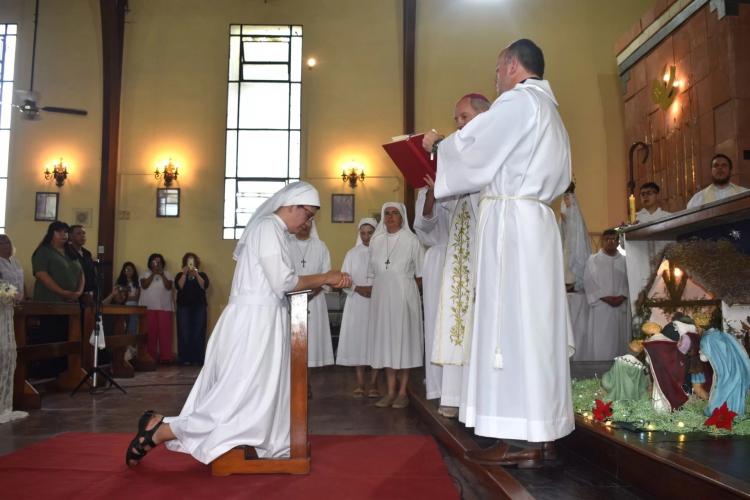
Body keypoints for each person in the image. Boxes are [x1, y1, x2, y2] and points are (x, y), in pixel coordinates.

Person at [124, 181, 351, 466]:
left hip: (265, 321)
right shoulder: (268, 228)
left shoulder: (276, 231)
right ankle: (161, 431)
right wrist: (326, 277)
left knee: (257, 393)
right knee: (237, 392)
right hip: (253, 323)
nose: (308, 221)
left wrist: (321, 282)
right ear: (293, 206)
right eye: (308, 214)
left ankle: (247, 440)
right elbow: (284, 282)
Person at [423, 39, 574, 467]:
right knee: (533, 329)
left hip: (513, 230)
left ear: (511, 66)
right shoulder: (549, 111)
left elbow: (475, 148)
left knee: (511, 327)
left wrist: (437, 145)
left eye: (496, 69)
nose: (495, 78)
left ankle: (518, 434)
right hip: (534, 226)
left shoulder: (519, 103)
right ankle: (538, 431)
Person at [417, 92, 489, 419]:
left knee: (477, 327)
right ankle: (453, 393)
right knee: (454, 323)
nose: (458, 124)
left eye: (464, 117)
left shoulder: (487, 153)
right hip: (457, 262)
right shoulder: (455, 166)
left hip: (482, 261)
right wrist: (436, 192)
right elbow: (429, 228)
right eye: (456, 119)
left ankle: (476, 396)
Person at [367, 202, 424, 410]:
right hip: (382, 299)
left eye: (395, 213)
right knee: (387, 344)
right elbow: (372, 273)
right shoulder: (376, 241)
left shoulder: (412, 241)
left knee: (404, 344)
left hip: (404, 299)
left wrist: (406, 292)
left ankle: (402, 393)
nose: (390, 217)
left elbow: (421, 275)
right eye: (387, 213)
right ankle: (390, 391)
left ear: (402, 218)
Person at [336, 218, 379, 397]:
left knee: (376, 343)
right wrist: (359, 289)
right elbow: (343, 280)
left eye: (370, 232)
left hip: (378, 303)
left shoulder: (383, 252)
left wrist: (375, 290)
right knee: (358, 342)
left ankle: (375, 384)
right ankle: (360, 383)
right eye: (363, 233)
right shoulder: (351, 254)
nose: (366, 236)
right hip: (357, 302)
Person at [289, 220, 334, 368]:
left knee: (312, 343)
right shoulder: (286, 244)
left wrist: (312, 293)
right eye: (301, 222)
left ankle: (307, 384)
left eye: (307, 222)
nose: (304, 225)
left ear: (312, 224)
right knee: (291, 343)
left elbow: (327, 274)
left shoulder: (320, 246)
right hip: (290, 300)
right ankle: (294, 385)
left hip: (315, 300)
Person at [581, 229, 629, 360]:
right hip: (601, 308)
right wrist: (604, 297)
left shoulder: (625, 261)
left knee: (620, 342)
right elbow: (588, 281)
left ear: (618, 241)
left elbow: (629, 281)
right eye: (607, 239)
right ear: (603, 241)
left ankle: (620, 371)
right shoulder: (593, 260)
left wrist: (623, 295)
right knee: (601, 342)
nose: (610, 242)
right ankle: (600, 370)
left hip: (620, 308)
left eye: (614, 239)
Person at [32, 221, 83, 303]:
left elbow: (81, 273)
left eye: (66, 232)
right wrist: (63, 293)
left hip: (72, 301)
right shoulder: (43, 251)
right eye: (59, 231)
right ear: (51, 234)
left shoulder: (71, 251)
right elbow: (41, 275)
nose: (63, 234)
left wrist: (78, 293)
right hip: (49, 301)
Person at [175, 253, 209, 366]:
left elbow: (204, 286)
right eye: (189, 261)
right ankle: (184, 358)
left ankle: (198, 358)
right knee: (184, 332)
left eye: (193, 261)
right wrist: (184, 274)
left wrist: (196, 274)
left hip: (199, 306)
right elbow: (179, 286)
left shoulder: (202, 274)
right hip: (183, 307)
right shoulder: (179, 275)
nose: (191, 264)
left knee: (198, 332)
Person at [139, 253, 174, 364]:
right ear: (150, 263)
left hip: (165, 307)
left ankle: (166, 357)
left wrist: (162, 274)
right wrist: (153, 274)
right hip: (148, 308)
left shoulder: (168, 274)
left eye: (159, 262)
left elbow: (169, 286)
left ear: (162, 263)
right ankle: (150, 357)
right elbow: (144, 285)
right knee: (150, 333)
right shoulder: (144, 274)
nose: (156, 264)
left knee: (165, 334)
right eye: (154, 262)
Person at [559, 182, 592, 292]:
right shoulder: (565, 206)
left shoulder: (573, 206)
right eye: (564, 198)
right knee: (567, 256)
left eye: (567, 198)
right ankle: (568, 282)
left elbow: (577, 231)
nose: (565, 201)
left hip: (574, 242)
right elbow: (563, 225)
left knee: (574, 256)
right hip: (568, 241)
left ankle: (574, 281)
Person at [67, 225, 97, 302]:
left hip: (89, 294)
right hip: (74, 295)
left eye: (84, 233)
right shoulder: (66, 252)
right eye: (79, 233)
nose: (82, 236)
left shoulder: (87, 253)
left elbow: (91, 273)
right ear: (70, 236)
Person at [114, 262, 141, 334]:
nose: (128, 272)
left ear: (134, 271)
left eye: (130, 270)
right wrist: (124, 296)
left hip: (133, 307)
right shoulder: (119, 281)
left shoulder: (137, 282)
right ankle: (122, 343)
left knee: (132, 326)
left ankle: (131, 343)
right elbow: (116, 295)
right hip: (122, 307)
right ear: (123, 271)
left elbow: (136, 297)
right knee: (122, 326)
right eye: (127, 270)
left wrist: (125, 297)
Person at [0, 234, 25, 301]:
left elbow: (21, 281)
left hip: (19, 301)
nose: (5, 245)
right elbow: (0, 285)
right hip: (3, 302)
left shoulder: (16, 262)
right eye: (1, 243)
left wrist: (23, 297)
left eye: (7, 243)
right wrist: (15, 295)